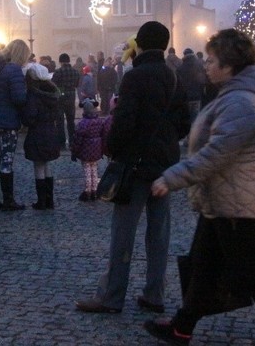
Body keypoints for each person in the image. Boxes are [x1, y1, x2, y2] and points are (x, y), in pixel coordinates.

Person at [144, 28, 255, 346]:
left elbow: (216, 154)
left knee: (253, 275)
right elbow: (205, 143)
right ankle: (181, 328)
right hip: (221, 200)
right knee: (203, 267)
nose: (206, 66)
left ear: (229, 67)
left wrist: (171, 178)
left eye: (212, 61)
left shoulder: (241, 102)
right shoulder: (229, 96)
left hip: (239, 203)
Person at [76, 21, 189, 315]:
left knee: (123, 232)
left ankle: (112, 297)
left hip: (135, 165)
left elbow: (124, 122)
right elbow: (184, 125)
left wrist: (112, 146)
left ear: (138, 43)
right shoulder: (174, 77)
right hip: (164, 164)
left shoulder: (135, 77)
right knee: (159, 232)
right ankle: (155, 294)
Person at [0, 39, 30, 211]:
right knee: (7, 159)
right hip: (8, 121)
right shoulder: (13, 70)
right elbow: (19, 98)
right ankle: (8, 200)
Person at [20, 62, 60, 210]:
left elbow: (30, 117)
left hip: (38, 132)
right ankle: (50, 200)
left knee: (39, 166)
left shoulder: (33, 94)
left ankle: (41, 201)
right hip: (51, 131)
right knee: (47, 164)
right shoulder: (53, 93)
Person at [71, 98, 105, 202]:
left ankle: (87, 191)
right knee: (94, 170)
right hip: (96, 151)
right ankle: (95, 190)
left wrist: (74, 152)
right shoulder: (99, 122)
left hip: (85, 151)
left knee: (87, 170)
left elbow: (77, 140)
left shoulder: (82, 124)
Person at [52, 53, 81, 149]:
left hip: (61, 97)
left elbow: (53, 85)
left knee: (60, 121)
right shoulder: (75, 72)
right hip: (71, 96)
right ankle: (72, 142)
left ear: (60, 61)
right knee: (71, 121)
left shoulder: (58, 72)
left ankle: (62, 143)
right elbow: (77, 84)